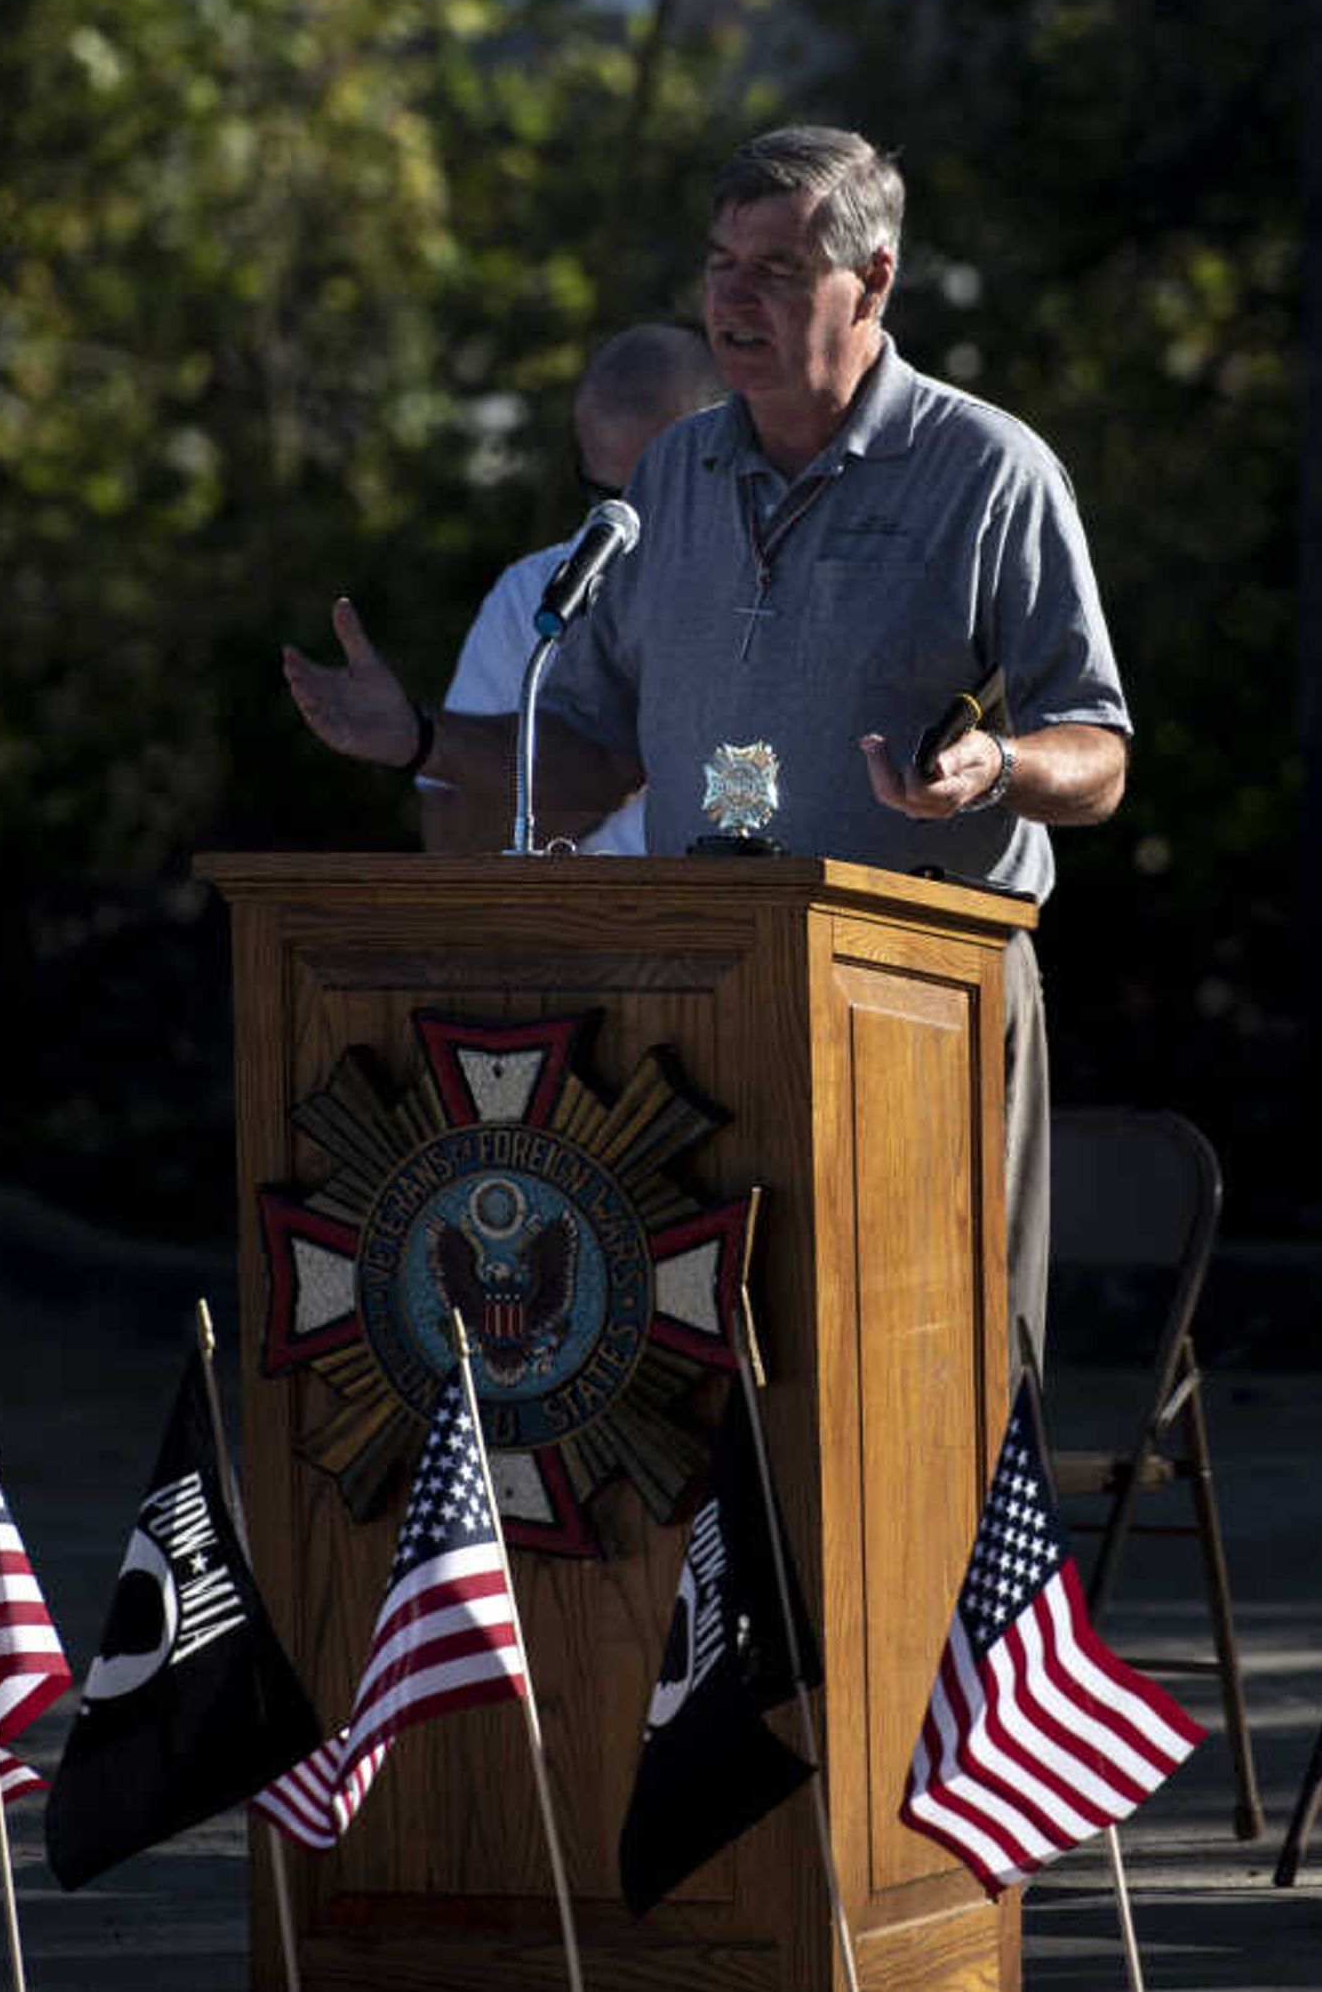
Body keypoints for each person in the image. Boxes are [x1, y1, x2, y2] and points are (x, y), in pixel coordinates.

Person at [283, 125, 1129, 1355]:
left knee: (941, 1363)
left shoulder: (988, 470)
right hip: (699, 997)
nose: (732, 298)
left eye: (777, 271)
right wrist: (417, 734)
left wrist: (994, 768)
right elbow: (597, 753)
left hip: (919, 991)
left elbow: (1098, 750)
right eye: (720, 264)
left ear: (875, 280)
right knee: (720, 1367)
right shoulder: (672, 475)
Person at [416, 322, 728, 856]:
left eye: (652, 494)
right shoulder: (535, 594)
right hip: (582, 933)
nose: (626, 524)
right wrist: (594, 763)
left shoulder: (788, 578)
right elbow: (449, 839)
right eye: (605, 495)